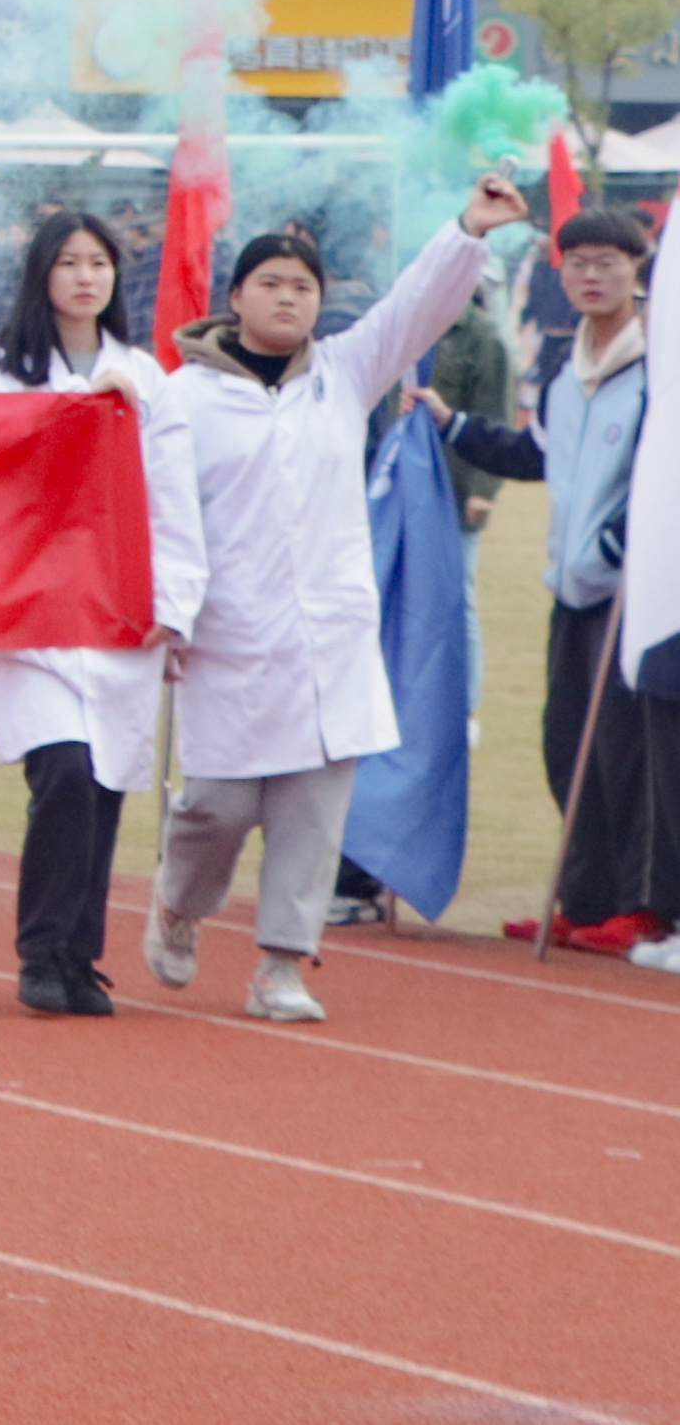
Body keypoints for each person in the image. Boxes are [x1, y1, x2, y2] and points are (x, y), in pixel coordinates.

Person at [147, 182, 522, 1022]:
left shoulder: (343, 375)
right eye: (270, 282)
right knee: (217, 807)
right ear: (235, 296)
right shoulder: (183, 398)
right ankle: (177, 904)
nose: (287, 297)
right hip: (228, 637)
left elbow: (411, 309)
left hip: (328, 638)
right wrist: (167, 609)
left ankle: (281, 964)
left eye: (302, 286)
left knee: (312, 815)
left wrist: (466, 231)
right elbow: (160, 514)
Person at [0, 209, 203, 1015]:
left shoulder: (144, 374)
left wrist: (173, 601)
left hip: (113, 607)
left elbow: (171, 495)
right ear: (41, 274)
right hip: (29, 611)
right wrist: (73, 412)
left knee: (104, 784)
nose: (84, 276)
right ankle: (39, 950)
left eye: (97, 262)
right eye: (67, 262)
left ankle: (77, 954)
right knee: (61, 770)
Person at [447, 207, 669, 954]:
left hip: (632, 595)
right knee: (563, 740)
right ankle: (585, 896)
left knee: (625, 752)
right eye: (576, 262)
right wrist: (453, 427)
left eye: (607, 261)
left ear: (637, 269)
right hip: (570, 590)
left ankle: (644, 907)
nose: (589, 275)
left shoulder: (658, 366)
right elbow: (536, 453)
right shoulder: (562, 367)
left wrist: (618, 544)